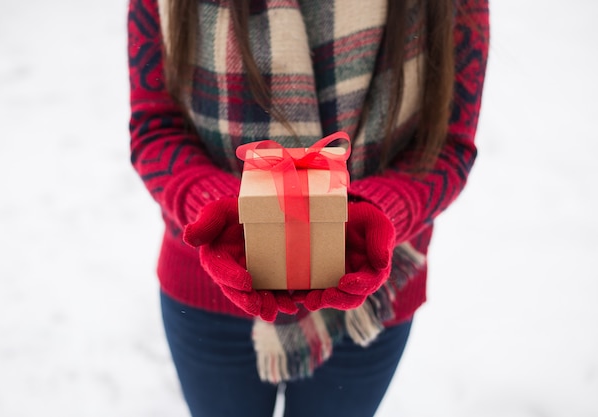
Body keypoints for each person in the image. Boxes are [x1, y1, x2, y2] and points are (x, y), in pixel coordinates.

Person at [127, 0, 489, 416]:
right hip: (212, 285)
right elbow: (155, 128)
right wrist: (224, 212)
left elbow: (448, 144)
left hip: (365, 288)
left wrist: (372, 218)